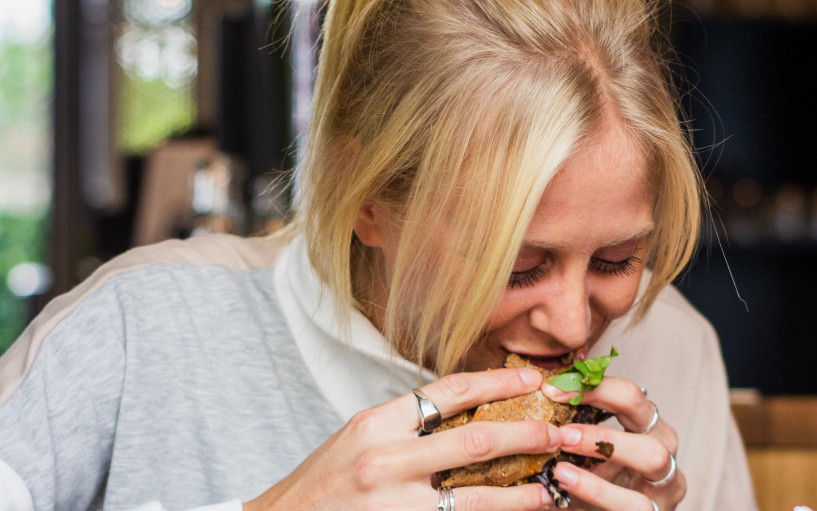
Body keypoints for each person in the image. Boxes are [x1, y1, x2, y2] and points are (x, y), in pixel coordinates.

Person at [0, 0, 758, 510]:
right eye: (516, 266)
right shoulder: (138, 331)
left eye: (617, 260)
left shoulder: (675, 350)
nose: (572, 324)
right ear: (365, 194)